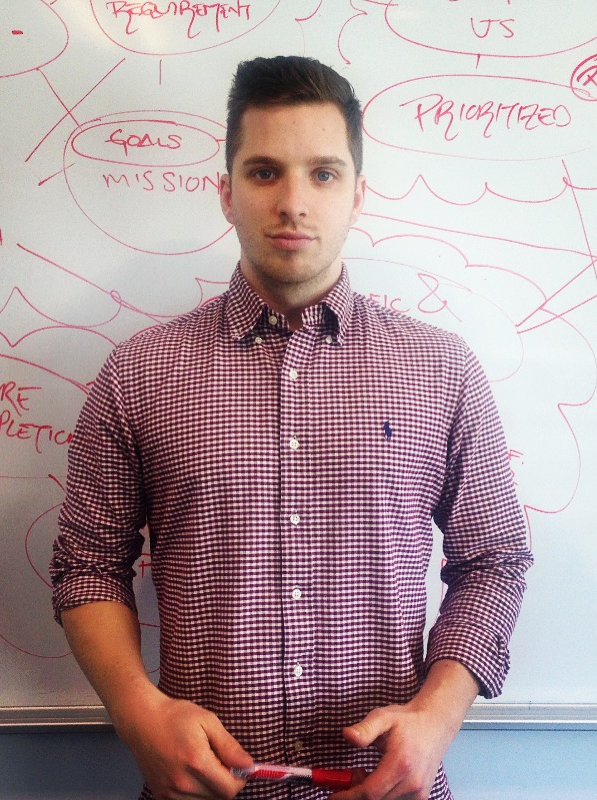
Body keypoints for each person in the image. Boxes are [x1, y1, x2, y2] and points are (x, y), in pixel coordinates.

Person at [51, 55, 533, 800]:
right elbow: (87, 564)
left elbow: (493, 558)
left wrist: (437, 719)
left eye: (324, 174)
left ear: (358, 194)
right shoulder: (138, 372)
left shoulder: (443, 369)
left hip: (386, 785)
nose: (294, 203)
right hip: (203, 789)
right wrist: (137, 710)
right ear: (226, 191)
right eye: (265, 171)